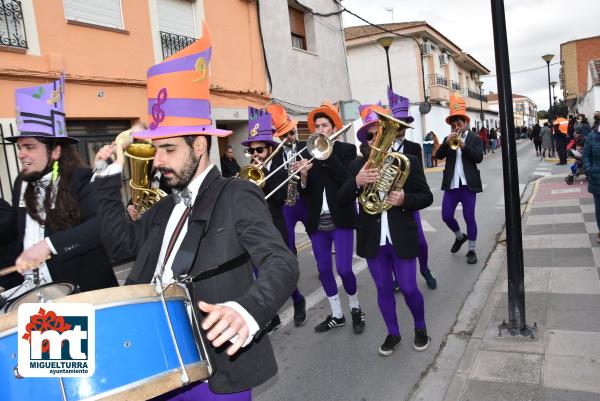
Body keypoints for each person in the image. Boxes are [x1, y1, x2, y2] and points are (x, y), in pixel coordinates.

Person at [93, 26, 298, 401]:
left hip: (215, 373)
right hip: (154, 363)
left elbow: (280, 261)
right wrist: (106, 180)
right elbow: (121, 246)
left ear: (200, 145)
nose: (158, 161)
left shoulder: (237, 194)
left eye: (169, 149)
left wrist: (248, 310)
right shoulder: (165, 206)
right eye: (156, 150)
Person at [4, 75, 118, 302]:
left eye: (29, 147)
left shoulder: (80, 178)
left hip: (81, 295)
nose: (21, 154)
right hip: (34, 295)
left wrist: (49, 245)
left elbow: (102, 224)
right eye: (20, 147)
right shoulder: (21, 183)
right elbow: (18, 239)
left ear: (55, 151)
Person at [339, 104, 433, 356]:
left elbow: (426, 196)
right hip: (373, 240)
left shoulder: (409, 161)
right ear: (366, 141)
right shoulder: (356, 166)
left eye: (381, 133)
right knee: (383, 290)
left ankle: (421, 327)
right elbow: (341, 198)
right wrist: (357, 182)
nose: (376, 140)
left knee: (410, 287)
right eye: (371, 136)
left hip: (400, 235)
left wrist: (405, 200)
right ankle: (393, 333)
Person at [297, 102, 366, 334]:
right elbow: (305, 193)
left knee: (345, 269)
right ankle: (337, 314)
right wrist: (304, 176)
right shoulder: (307, 152)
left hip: (341, 217)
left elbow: (347, 179)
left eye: (324, 125)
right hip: (317, 221)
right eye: (316, 126)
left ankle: (356, 308)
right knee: (325, 269)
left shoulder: (346, 151)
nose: (319, 129)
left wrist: (325, 154)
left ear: (333, 127)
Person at [240, 106, 306, 330]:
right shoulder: (248, 170)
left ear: (269, 148)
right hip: (254, 229)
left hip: (277, 225)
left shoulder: (280, 167)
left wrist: (264, 179)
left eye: (259, 149)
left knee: (281, 270)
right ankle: (272, 315)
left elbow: (283, 198)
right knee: (260, 274)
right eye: (252, 151)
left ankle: (298, 301)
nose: (255, 155)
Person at [386, 89, 437, 289]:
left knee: (420, 243)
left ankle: (424, 269)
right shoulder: (382, 146)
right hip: (386, 203)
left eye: (404, 121)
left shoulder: (414, 147)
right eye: (397, 122)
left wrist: (408, 197)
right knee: (389, 244)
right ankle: (396, 277)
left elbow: (421, 183)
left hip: (407, 202)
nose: (401, 126)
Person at [266, 103, 308, 326]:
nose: (289, 137)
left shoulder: (305, 147)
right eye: (284, 135)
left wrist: (302, 175)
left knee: (316, 244)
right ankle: (272, 312)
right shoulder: (272, 157)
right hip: (283, 208)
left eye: (290, 133)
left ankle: (299, 297)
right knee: (283, 256)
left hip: (304, 202)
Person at [436, 96, 484, 265]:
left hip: (467, 186)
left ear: (465, 123)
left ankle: (472, 250)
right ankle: (459, 237)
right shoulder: (448, 139)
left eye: (459, 123)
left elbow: (478, 158)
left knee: (469, 217)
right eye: (453, 124)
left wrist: (464, 147)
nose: (456, 126)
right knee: (446, 216)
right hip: (452, 185)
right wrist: (446, 143)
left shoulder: (474, 138)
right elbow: (439, 156)